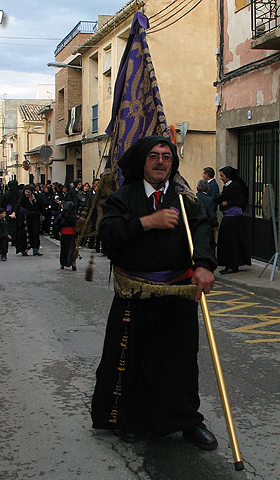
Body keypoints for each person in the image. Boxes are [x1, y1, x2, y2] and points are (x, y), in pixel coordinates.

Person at [91, 135, 218, 451]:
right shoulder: (123, 198)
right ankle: (131, 420)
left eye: (166, 156)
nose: (161, 161)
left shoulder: (186, 200)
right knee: (133, 360)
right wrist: (147, 221)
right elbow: (108, 235)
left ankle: (187, 421)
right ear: (142, 162)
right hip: (136, 295)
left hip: (178, 294)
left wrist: (203, 265)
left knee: (182, 363)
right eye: (153, 156)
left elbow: (202, 233)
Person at [214, 166, 251, 274]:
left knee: (231, 242)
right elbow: (222, 200)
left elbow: (221, 199)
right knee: (227, 241)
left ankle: (232, 265)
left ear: (228, 175)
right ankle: (229, 264)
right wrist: (223, 203)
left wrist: (224, 202)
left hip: (233, 218)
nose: (221, 178)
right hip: (230, 217)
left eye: (222, 176)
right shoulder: (229, 186)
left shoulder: (234, 186)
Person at [14, 184, 44, 256]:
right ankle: (24, 249)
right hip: (25, 217)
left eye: (28, 192)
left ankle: (35, 249)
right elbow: (17, 205)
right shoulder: (22, 198)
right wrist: (14, 212)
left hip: (34, 217)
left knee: (35, 232)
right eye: (26, 192)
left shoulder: (36, 197)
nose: (27, 194)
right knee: (24, 233)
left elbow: (40, 206)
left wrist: (42, 214)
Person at [53, 200, 78, 270]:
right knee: (72, 249)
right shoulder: (74, 216)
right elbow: (77, 225)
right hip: (72, 234)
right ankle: (73, 262)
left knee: (64, 249)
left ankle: (62, 264)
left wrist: (58, 231)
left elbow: (56, 224)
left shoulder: (61, 215)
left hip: (64, 234)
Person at [196, 179, 218, 253]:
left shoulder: (192, 198)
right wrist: (215, 225)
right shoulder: (209, 200)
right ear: (208, 190)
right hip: (206, 227)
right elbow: (212, 214)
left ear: (197, 189)